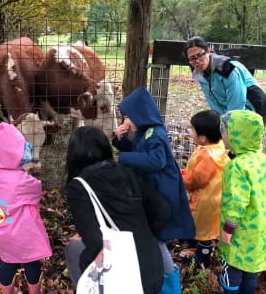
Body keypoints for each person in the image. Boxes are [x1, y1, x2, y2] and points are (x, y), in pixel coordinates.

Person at [65, 126, 171, 294]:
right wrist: (141, 232)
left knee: (73, 248)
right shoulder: (126, 171)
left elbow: (95, 243)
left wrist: (85, 265)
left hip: (121, 279)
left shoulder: (78, 187)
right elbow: (162, 210)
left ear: (73, 155)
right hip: (152, 270)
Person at [112, 86, 195, 294]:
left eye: (129, 117)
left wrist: (121, 158)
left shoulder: (156, 134)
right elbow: (138, 154)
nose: (126, 121)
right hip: (152, 190)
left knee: (157, 237)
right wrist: (120, 142)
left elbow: (155, 161)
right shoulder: (143, 132)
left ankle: (169, 284)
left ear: (140, 115)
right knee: (152, 236)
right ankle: (157, 277)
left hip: (162, 192)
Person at [0, 122, 52, 294]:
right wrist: (25, 170)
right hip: (24, 232)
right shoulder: (22, 180)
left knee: (8, 262)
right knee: (31, 262)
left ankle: (8, 291)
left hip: (2, 230)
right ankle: (34, 291)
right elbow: (36, 191)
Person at [219, 110, 266, 294]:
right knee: (251, 269)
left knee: (232, 266)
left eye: (225, 131)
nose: (223, 135)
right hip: (261, 230)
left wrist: (228, 229)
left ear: (237, 134)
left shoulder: (237, 167)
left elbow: (237, 203)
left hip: (240, 231)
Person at [181, 110, 230, 268]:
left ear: (202, 137)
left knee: (204, 232)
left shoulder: (208, 157)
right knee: (207, 228)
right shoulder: (217, 148)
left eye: (192, 130)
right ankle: (196, 248)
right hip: (215, 198)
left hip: (204, 201)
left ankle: (202, 260)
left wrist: (180, 178)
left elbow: (196, 180)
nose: (191, 133)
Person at [185, 37, 266, 124]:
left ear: (208, 51)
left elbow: (237, 101)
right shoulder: (199, 74)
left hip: (255, 108)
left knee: (241, 136)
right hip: (232, 109)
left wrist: (228, 125)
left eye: (200, 55)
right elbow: (213, 101)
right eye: (192, 58)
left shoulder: (227, 69)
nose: (197, 61)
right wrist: (220, 123)